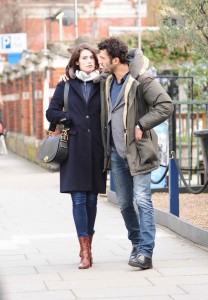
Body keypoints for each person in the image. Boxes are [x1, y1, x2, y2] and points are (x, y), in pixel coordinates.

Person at [97, 37, 174, 270]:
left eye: (102, 58)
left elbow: (165, 105)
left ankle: (146, 253)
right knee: (124, 204)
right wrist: (67, 74)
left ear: (116, 60)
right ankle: (137, 243)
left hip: (138, 151)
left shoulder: (142, 80)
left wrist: (141, 124)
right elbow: (84, 77)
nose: (99, 62)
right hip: (117, 153)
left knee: (142, 200)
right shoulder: (108, 81)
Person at [46, 43, 106, 269]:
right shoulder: (66, 85)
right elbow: (50, 112)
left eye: (92, 57)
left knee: (92, 200)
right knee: (79, 199)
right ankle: (84, 252)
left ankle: (88, 246)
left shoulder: (104, 84)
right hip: (74, 148)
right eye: (84, 58)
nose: (89, 61)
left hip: (97, 148)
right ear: (76, 62)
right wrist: (64, 118)